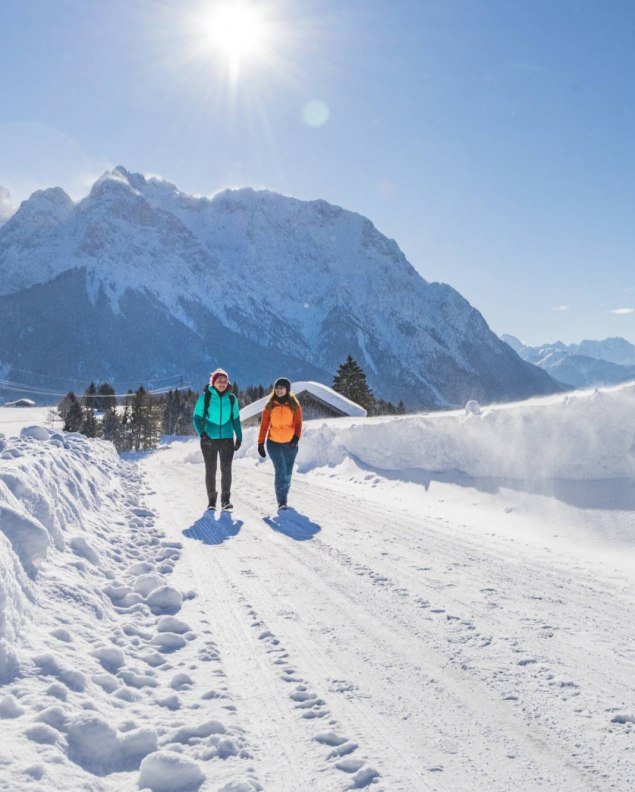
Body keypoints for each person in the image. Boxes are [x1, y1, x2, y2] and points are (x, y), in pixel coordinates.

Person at [192, 368, 242, 511]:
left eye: (224, 381)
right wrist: (202, 434)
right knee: (211, 469)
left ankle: (226, 500)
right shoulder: (205, 397)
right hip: (209, 439)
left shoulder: (232, 398)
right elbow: (196, 418)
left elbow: (236, 419)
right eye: (219, 381)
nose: (222, 384)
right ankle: (212, 501)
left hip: (226, 438)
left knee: (226, 469)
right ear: (213, 382)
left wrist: (239, 436)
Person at [257, 377, 302, 510]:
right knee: (280, 470)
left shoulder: (294, 405)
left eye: (282, 387)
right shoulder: (270, 405)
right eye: (277, 388)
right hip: (274, 443)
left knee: (288, 472)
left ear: (287, 389)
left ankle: (284, 496)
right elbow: (264, 426)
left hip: (290, 444)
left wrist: (296, 438)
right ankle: (281, 501)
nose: (279, 390)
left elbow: (298, 424)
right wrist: (260, 443)